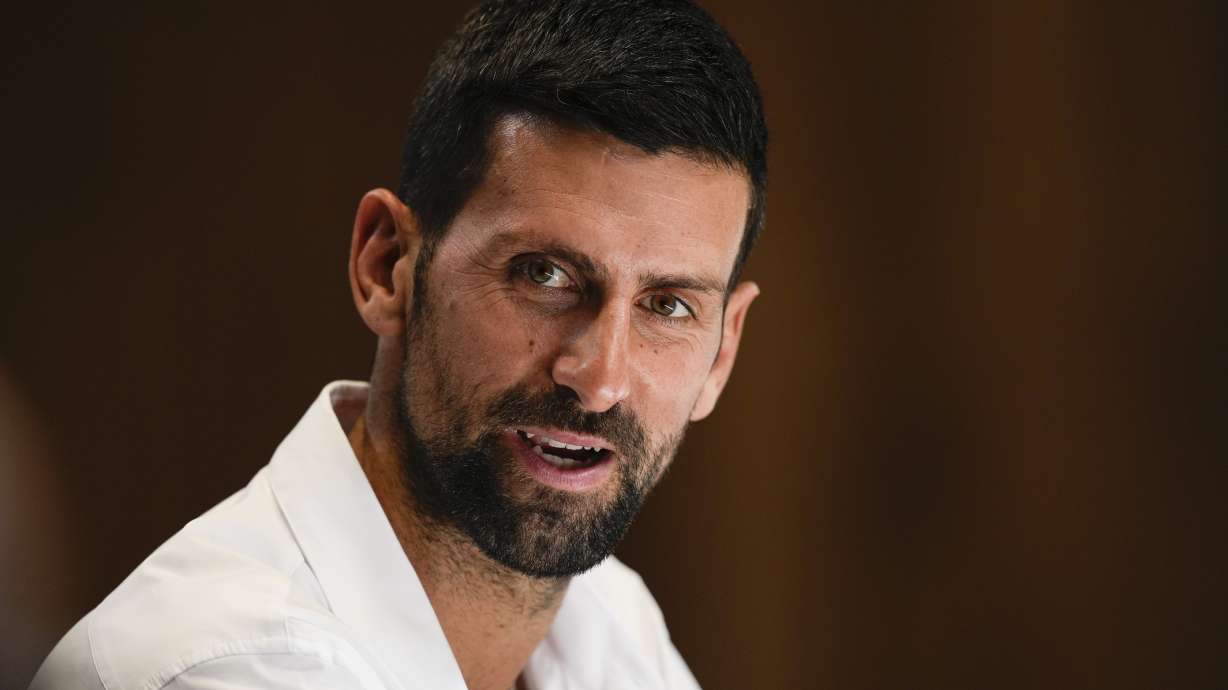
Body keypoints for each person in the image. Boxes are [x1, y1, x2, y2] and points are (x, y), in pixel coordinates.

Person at [31, 0, 767, 687]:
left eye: (668, 306)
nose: (599, 377)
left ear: (722, 353)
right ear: (387, 266)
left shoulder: (613, 628)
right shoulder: (232, 666)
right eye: (544, 274)